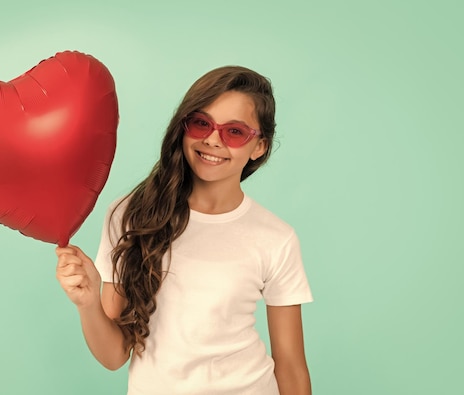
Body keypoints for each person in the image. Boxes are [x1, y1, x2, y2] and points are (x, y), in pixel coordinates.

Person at [55, 66, 313, 395]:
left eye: (234, 132)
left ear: (259, 146)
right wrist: (88, 303)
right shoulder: (130, 215)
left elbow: (290, 365)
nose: (213, 140)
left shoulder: (276, 238)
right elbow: (114, 355)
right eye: (201, 123)